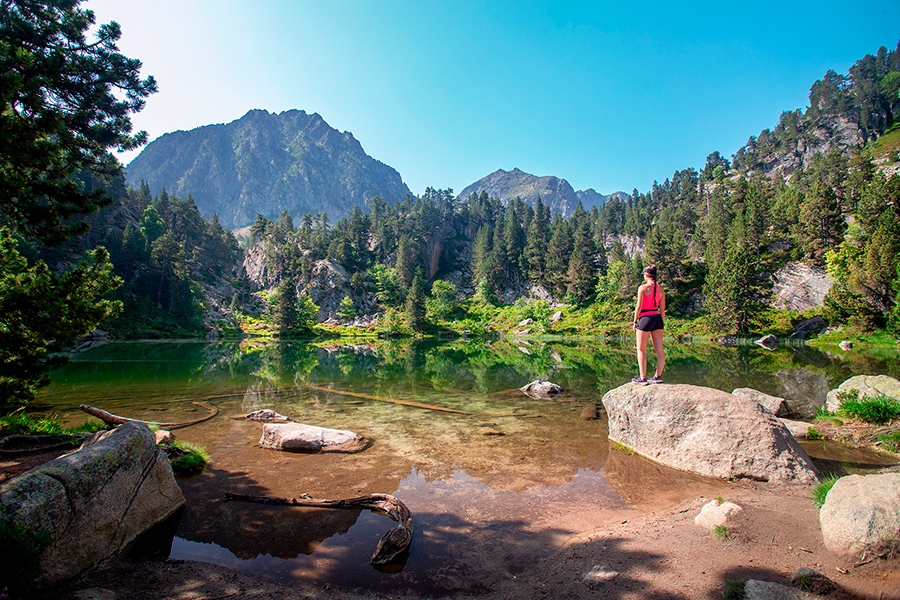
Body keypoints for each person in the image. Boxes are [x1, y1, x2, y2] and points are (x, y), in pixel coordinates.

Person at [631, 264, 665, 384]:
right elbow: (662, 309)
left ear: (646, 275)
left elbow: (638, 306)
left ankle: (642, 377)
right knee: (659, 350)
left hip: (645, 318)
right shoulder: (660, 289)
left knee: (641, 349)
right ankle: (658, 376)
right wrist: (660, 322)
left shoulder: (643, 288)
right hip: (657, 318)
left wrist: (635, 321)